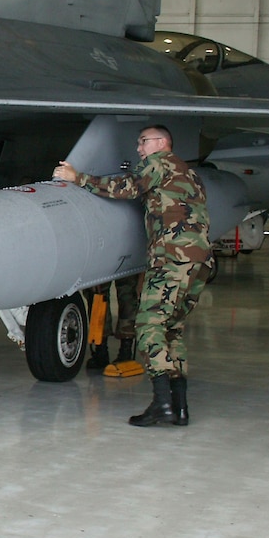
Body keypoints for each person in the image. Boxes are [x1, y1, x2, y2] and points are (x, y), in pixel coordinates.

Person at [53, 126, 210, 427]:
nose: (139, 149)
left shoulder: (159, 163)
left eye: (143, 142)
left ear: (163, 143)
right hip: (198, 262)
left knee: (149, 326)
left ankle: (161, 402)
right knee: (172, 330)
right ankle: (179, 407)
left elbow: (128, 187)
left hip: (171, 259)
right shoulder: (189, 173)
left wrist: (78, 178)